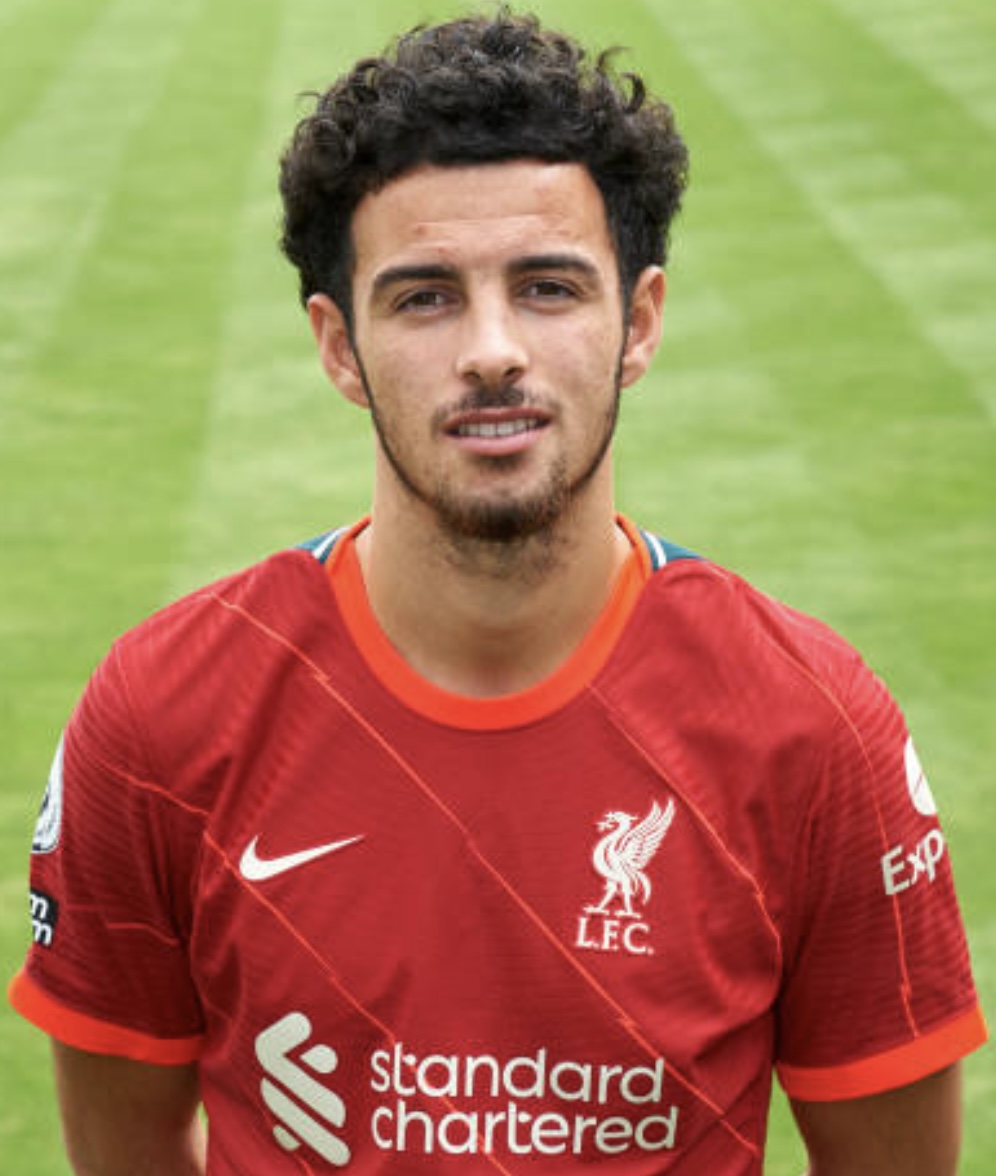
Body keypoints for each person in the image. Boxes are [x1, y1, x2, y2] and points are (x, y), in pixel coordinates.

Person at [8, 9, 987, 1174]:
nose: (491, 350)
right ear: (338, 345)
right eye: (424, 296)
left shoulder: (815, 730)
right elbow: (125, 1142)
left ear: (640, 324)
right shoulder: (159, 717)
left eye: (549, 287)